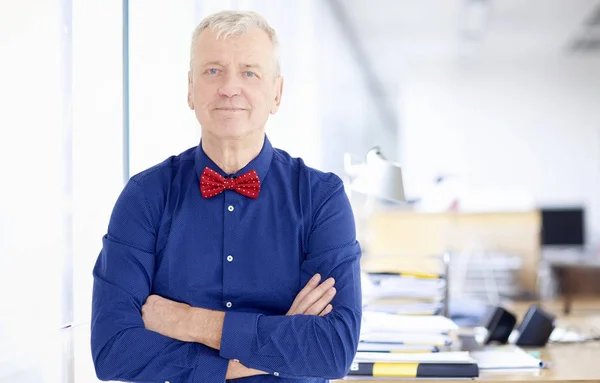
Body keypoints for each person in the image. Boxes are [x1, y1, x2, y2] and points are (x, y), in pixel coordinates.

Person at [91, 10, 362, 383]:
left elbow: (332, 351)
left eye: (250, 72)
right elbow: (113, 352)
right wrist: (279, 343)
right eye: (213, 71)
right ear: (190, 89)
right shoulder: (144, 197)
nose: (230, 87)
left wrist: (187, 322)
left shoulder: (321, 199)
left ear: (276, 93)